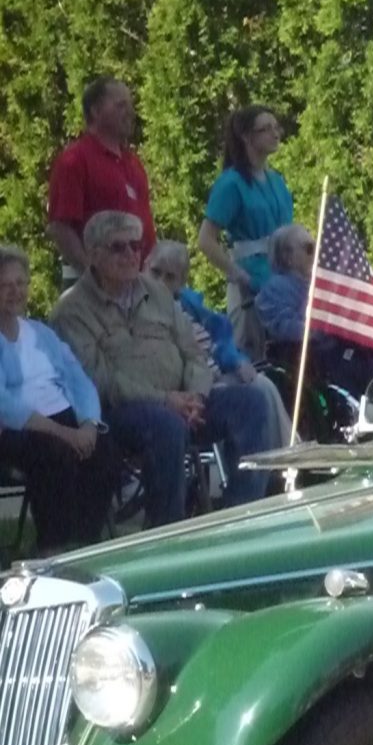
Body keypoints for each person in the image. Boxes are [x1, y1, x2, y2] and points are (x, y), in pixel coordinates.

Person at [50, 211, 271, 528]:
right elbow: (99, 381)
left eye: (135, 246)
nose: (130, 255)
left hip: (182, 404)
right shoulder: (72, 311)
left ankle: (240, 519)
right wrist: (166, 400)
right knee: (165, 424)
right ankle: (167, 531)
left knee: (250, 402)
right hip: (117, 414)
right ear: (93, 253)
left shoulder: (158, 293)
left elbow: (194, 353)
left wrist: (194, 395)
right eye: (118, 247)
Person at [0, 245, 119, 554]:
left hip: (64, 418)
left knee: (104, 451)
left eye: (20, 283)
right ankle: (54, 545)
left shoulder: (41, 333)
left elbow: (78, 379)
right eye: (5, 285)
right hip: (19, 429)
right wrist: (65, 434)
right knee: (56, 455)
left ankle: (86, 541)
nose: (15, 291)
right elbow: (5, 404)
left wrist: (89, 425)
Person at [146, 240, 293, 448]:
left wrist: (236, 360)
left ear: (181, 282)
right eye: (156, 272)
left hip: (213, 371)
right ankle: (284, 460)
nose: (161, 282)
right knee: (254, 395)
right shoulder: (138, 304)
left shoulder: (186, 303)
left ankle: (285, 458)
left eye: (170, 277)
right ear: (145, 265)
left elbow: (220, 332)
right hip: (187, 386)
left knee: (263, 385)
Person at [198, 105, 293, 362]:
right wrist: (237, 274)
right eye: (266, 129)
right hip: (251, 286)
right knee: (255, 356)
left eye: (276, 127)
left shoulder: (277, 179)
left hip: (284, 282)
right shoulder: (231, 183)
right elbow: (206, 240)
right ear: (247, 137)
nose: (275, 134)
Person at [47, 76, 156, 288]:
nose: (130, 112)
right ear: (96, 111)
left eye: (130, 105)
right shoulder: (75, 160)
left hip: (135, 285)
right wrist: (93, 275)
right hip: (90, 287)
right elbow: (60, 227)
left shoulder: (133, 163)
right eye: (120, 105)